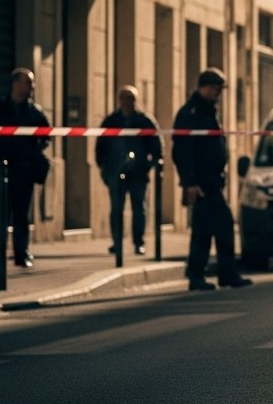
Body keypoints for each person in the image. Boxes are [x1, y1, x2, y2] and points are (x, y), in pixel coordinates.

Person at [171, 68, 252, 291]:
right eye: (214, 89)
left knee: (203, 230)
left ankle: (198, 275)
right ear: (203, 87)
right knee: (224, 225)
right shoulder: (191, 113)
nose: (217, 93)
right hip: (202, 182)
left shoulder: (207, 111)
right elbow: (182, 151)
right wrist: (190, 182)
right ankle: (225, 273)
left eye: (219, 90)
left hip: (210, 181)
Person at [0, 68, 52, 268]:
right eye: (28, 82)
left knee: (21, 214)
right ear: (16, 84)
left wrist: (33, 152)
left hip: (23, 170)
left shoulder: (35, 112)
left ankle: (22, 253)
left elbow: (46, 137)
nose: (32, 87)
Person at [97, 85, 163, 256]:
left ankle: (138, 242)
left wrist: (154, 162)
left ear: (136, 100)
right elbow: (101, 145)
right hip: (115, 170)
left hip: (138, 172)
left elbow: (156, 144)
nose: (127, 102)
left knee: (138, 208)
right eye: (124, 98)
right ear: (119, 100)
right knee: (117, 208)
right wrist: (102, 167)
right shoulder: (111, 121)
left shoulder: (145, 121)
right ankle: (117, 242)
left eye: (131, 98)